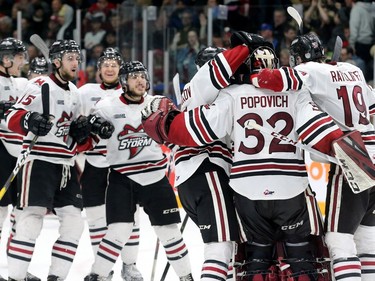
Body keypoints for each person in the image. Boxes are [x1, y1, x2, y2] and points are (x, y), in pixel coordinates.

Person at [141, 32, 349, 281]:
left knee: (256, 259)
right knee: (303, 258)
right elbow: (319, 133)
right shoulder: (296, 93)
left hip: (246, 191)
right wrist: (350, 153)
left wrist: (167, 126)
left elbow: (195, 130)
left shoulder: (232, 94)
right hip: (290, 188)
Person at [251, 32, 375, 281]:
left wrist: (248, 75)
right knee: (367, 241)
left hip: (352, 158)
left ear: (298, 57)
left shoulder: (310, 71)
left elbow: (271, 79)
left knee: (338, 239)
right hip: (373, 149)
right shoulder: (354, 70)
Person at [5, 39, 114, 281]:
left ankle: (56, 277)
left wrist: (84, 131)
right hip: (39, 161)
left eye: (77, 58)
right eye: (71, 58)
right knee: (30, 221)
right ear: (57, 62)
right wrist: (29, 121)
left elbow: (74, 139)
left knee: (74, 223)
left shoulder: (74, 92)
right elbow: (12, 115)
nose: (76, 63)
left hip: (65, 166)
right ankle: (15, 277)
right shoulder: (39, 85)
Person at [84, 61, 194, 281]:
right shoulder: (107, 106)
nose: (140, 81)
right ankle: (97, 275)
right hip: (121, 178)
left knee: (170, 233)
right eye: (134, 77)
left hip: (155, 178)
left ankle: (186, 277)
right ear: (124, 82)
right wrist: (90, 126)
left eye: (143, 76)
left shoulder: (159, 104)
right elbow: (87, 138)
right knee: (117, 232)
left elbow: (178, 134)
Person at [171, 43, 252, 281]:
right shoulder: (209, 87)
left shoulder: (193, 90)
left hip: (192, 175)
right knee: (221, 246)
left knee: (226, 248)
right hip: (207, 170)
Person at [78, 47, 143, 281]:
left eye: (114, 64)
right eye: (105, 64)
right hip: (94, 165)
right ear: (98, 69)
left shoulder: (131, 92)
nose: (109, 68)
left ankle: (130, 265)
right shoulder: (85, 92)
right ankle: (102, 270)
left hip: (123, 166)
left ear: (120, 69)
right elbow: (76, 127)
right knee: (96, 219)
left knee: (130, 218)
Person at [0, 37, 40, 281]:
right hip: (1, 152)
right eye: (19, 58)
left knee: (21, 215)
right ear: (6, 59)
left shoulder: (24, 83)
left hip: (23, 154)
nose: (23, 62)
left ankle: (18, 270)